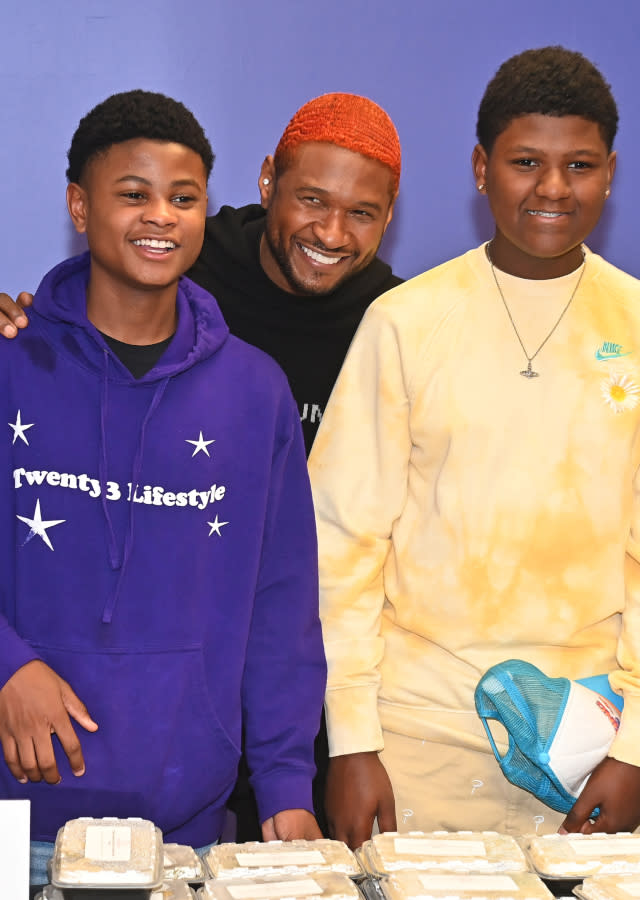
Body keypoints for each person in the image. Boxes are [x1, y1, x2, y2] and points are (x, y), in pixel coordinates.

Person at [0, 91, 403, 840]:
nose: (160, 215)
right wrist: (6, 666)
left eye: (183, 198)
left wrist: (285, 785)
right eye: (133, 194)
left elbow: (282, 605)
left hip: (183, 819)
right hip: (11, 815)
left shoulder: (255, 390)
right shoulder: (13, 360)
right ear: (78, 207)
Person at [308, 45, 640, 848]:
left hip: (595, 744)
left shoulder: (633, 323)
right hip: (414, 737)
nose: (553, 188)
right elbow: (341, 544)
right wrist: (352, 739)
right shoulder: (406, 321)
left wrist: (634, 748)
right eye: (527, 162)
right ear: (481, 168)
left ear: (610, 172)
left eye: (580, 165)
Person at [0, 91, 403, 456]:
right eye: (312, 200)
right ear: (268, 181)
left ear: (388, 217)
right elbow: (82, 329)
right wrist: (21, 330)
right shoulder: (178, 262)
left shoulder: (402, 323)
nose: (331, 235)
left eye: (361, 213)